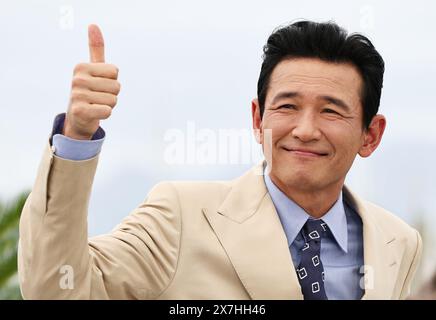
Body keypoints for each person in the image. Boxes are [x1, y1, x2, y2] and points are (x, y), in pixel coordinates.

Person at [18, 21, 422, 300]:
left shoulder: (398, 242)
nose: (305, 129)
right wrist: (77, 134)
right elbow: (55, 288)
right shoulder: (181, 216)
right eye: (287, 106)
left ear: (370, 134)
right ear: (257, 119)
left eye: (331, 111)